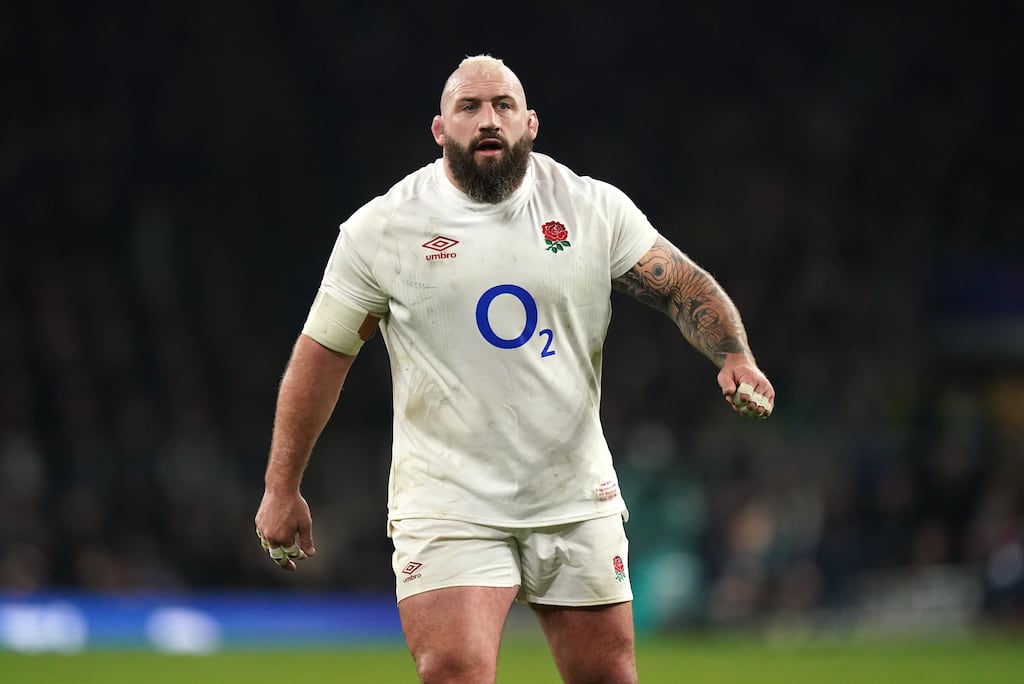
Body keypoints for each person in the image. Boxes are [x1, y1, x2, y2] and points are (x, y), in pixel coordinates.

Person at [255, 54, 775, 683]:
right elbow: (322, 355)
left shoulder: (591, 209)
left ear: (530, 123)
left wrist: (734, 355)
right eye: (468, 107)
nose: (488, 119)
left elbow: (680, 285)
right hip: (448, 500)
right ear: (440, 130)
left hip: (572, 492)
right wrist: (282, 486)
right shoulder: (382, 229)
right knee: (452, 671)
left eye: (503, 105)